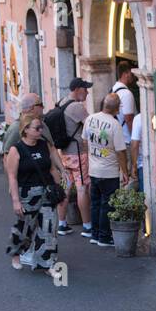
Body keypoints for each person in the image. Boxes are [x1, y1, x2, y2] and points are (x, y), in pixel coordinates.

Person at [4, 111, 64, 272]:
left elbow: (51, 168)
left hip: (46, 192)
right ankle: (16, 254)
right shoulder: (16, 150)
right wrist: (16, 201)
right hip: (27, 194)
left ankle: (47, 263)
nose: (41, 131)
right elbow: (12, 177)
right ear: (26, 129)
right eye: (37, 128)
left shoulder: (44, 145)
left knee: (49, 228)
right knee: (25, 227)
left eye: (41, 127)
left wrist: (60, 187)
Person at [2, 92, 70, 231]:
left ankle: (48, 240)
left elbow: (52, 149)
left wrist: (62, 170)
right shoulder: (16, 128)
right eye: (41, 104)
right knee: (28, 225)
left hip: (45, 183)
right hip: (27, 187)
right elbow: (7, 157)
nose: (43, 107)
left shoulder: (43, 125)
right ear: (32, 108)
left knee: (47, 225)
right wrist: (12, 186)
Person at [83, 92, 129, 247]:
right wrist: (125, 172)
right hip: (109, 171)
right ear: (117, 108)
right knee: (107, 204)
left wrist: (93, 156)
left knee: (95, 203)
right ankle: (104, 237)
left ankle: (95, 235)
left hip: (93, 169)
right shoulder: (115, 125)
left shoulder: (90, 119)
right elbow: (120, 151)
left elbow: (85, 141)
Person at [60, 77, 92, 238]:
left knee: (66, 187)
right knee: (82, 188)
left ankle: (62, 223)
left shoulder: (62, 102)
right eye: (85, 89)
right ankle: (87, 226)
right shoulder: (76, 107)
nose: (87, 92)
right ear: (78, 89)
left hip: (65, 153)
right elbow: (91, 125)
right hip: (78, 154)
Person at [111, 63, 137, 147]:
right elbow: (129, 119)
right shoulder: (126, 94)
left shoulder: (113, 89)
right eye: (131, 73)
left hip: (118, 138)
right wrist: (135, 140)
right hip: (127, 140)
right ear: (126, 74)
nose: (133, 76)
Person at [130, 110, 143, 197]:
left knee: (145, 197)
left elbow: (135, 145)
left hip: (143, 164)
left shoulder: (139, 118)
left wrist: (134, 166)